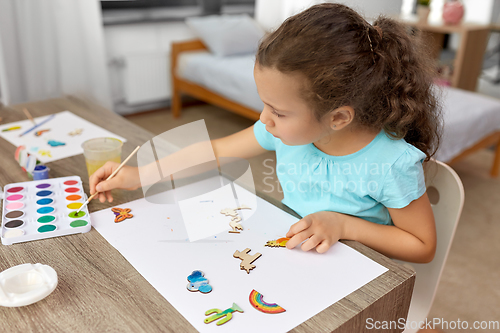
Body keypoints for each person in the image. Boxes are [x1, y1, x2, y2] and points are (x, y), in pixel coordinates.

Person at [90, 3, 441, 263]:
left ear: (338, 118)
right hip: (294, 252)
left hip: (355, 271)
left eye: (278, 111)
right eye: (265, 104)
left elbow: (422, 246)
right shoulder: (283, 132)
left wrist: (345, 226)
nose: (264, 118)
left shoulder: (390, 163)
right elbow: (214, 151)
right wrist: (138, 175)